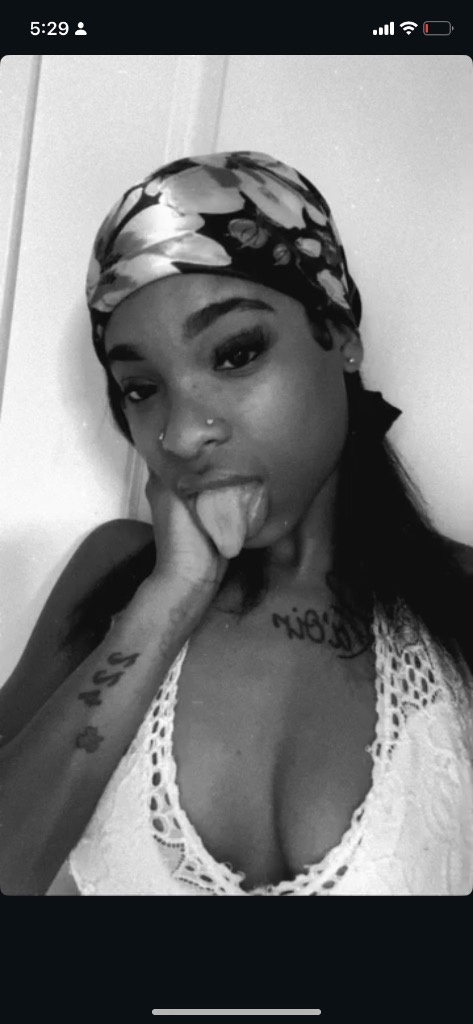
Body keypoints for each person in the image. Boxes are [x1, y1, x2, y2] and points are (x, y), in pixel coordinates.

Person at [0, 151, 472, 896]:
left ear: (340, 335)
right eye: (140, 388)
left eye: (235, 353)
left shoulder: (459, 600)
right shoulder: (113, 576)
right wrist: (168, 599)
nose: (181, 435)